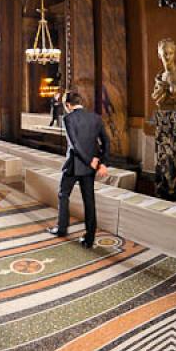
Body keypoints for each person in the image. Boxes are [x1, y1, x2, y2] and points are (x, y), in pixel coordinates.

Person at [47, 91, 109, 248]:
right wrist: (102, 162)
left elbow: (74, 145)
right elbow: (107, 142)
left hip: (74, 166)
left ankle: (62, 229)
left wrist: (90, 162)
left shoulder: (68, 118)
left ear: (68, 105)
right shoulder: (95, 118)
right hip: (89, 169)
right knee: (89, 201)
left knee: (63, 194)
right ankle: (89, 238)